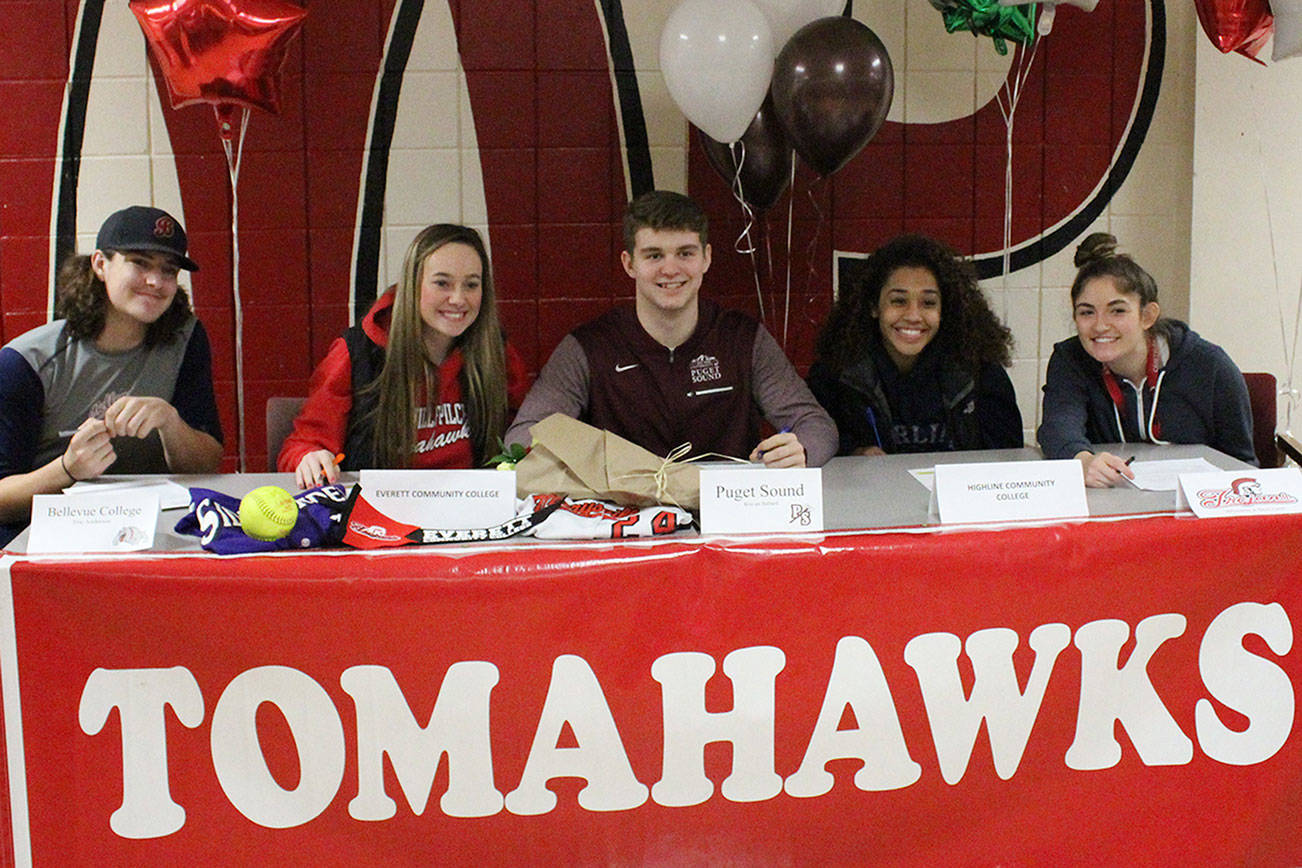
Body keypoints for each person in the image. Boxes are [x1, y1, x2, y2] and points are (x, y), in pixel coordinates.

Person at [504, 190, 836, 467]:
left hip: (726, 516)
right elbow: (522, 438)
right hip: (625, 521)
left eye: (685, 253)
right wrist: (590, 459)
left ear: (706, 258)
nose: (671, 268)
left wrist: (800, 451)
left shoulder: (742, 338)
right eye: (654, 255)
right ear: (629, 264)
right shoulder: (590, 347)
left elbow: (817, 426)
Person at [0, 205, 224, 544]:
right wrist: (67, 469)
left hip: (151, 529)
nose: (156, 281)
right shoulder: (26, 362)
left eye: (169, 270)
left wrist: (170, 421)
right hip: (45, 535)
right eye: (140, 263)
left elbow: (208, 464)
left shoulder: (185, 340)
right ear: (101, 265)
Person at [279, 223, 527, 488]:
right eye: (442, 283)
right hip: (382, 516)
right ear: (412, 285)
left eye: (471, 285)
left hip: (472, 510)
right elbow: (301, 447)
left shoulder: (495, 351)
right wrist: (309, 457)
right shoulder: (357, 352)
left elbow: (525, 433)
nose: (458, 298)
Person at [1038, 232, 1256, 487]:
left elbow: (1241, 463)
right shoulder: (1070, 359)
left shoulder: (1209, 365)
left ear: (1148, 316)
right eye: (1086, 312)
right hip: (1111, 502)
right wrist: (1082, 461)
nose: (1099, 326)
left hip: (1195, 507)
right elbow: (1057, 427)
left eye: (1117, 311)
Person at [807, 234, 1023, 456]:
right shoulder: (835, 374)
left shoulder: (981, 370)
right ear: (874, 306)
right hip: (874, 491)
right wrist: (854, 455)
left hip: (953, 491)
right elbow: (815, 448)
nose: (913, 315)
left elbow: (1007, 458)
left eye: (928, 303)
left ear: (944, 311)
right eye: (899, 301)